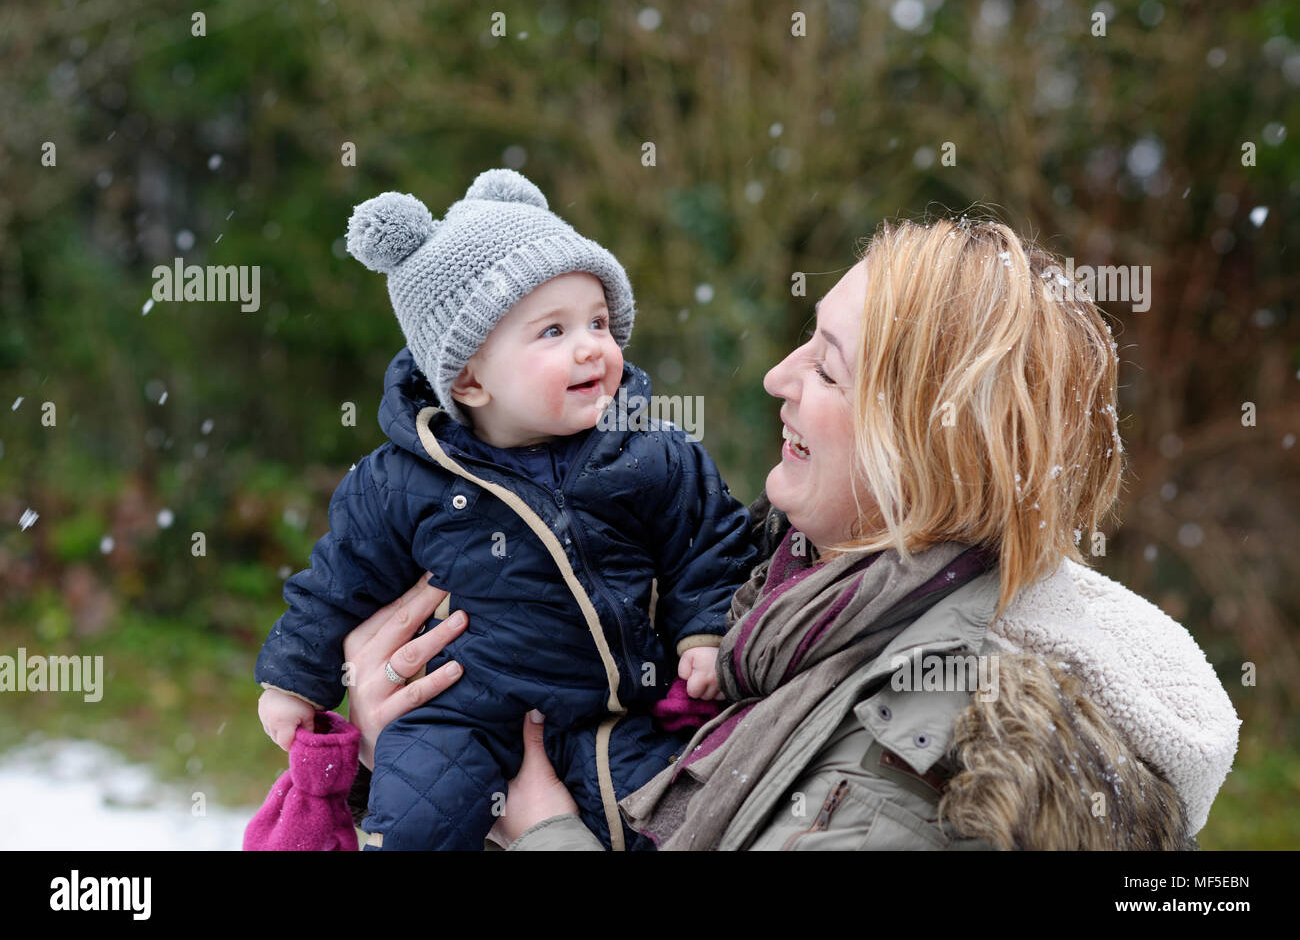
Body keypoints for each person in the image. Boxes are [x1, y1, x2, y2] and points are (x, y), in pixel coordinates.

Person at [343, 215, 1241, 850]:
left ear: (924, 441)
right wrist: (432, 746)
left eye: (826, 366)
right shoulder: (767, 613)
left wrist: (541, 831)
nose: (778, 376)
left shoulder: (924, 755)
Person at [253, 169, 755, 850]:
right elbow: (337, 580)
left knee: (653, 815)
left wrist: (701, 632)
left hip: (608, 711)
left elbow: (708, 538)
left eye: (599, 322)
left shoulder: (647, 453)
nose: (591, 346)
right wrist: (294, 679)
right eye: (552, 330)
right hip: (455, 712)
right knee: (420, 819)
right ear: (468, 377)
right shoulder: (402, 479)